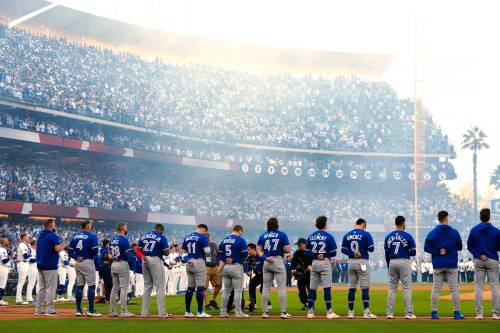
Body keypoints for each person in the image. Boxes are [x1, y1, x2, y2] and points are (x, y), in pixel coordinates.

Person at [424, 210, 464, 320]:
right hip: (451, 264)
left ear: (438, 219)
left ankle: (434, 313)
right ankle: (456, 313)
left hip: (438, 264)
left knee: (436, 289)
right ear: (446, 218)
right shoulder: (454, 232)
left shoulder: (432, 233)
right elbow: (460, 247)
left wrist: (437, 251)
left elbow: (426, 248)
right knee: (454, 289)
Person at [466, 208, 500, 320]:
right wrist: (490, 251)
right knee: (494, 286)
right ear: (489, 216)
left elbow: (470, 246)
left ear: (480, 217)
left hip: (479, 260)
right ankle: (495, 314)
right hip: (492, 259)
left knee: (479, 286)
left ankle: (479, 314)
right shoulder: (496, 231)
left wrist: (479, 254)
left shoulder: (474, 230)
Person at [341, 218, 377, 319]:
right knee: (365, 288)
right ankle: (366, 312)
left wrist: (352, 253)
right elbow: (371, 248)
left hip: (351, 262)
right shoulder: (366, 234)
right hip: (362, 262)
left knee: (352, 288)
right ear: (363, 225)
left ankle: (350, 312)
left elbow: (343, 249)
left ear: (355, 224)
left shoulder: (347, 235)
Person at [305, 216, 340, 319]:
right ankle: (329, 312)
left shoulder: (311, 236)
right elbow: (333, 252)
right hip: (324, 262)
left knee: (312, 288)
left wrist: (315, 256)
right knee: (327, 288)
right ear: (325, 225)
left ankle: (310, 312)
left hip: (314, 263)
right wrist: (324, 254)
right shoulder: (329, 236)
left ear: (316, 225)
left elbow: (307, 253)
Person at [257, 217, 292, 319]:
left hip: (267, 261)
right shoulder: (281, 234)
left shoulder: (263, 236)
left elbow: (259, 251)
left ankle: (265, 312)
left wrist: (265, 257)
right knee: (281, 288)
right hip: (277, 260)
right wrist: (282, 248)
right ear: (277, 225)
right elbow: (287, 249)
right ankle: (283, 312)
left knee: (266, 288)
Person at [384, 216, 417, 319]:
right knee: (406, 288)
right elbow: (413, 252)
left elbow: (386, 253)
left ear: (395, 224)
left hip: (392, 262)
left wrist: (388, 264)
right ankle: (408, 314)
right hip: (404, 261)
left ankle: (389, 313)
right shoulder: (408, 236)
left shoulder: (388, 236)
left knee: (392, 288)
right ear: (403, 223)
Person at [68, 220, 101, 317]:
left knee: (80, 286)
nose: (91, 226)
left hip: (77, 263)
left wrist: (76, 256)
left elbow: (69, 251)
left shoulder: (75, 236)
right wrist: (85, 256)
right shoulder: (92, 236)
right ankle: (91, 310)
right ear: (88, 226)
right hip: (87, 262)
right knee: (91, 286)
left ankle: (78, 309)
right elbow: (95, 251)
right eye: (90, 224)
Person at [137, 223, 170, 318]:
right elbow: (167, 253)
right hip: (155, 260)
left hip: (145, 259)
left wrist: (143, 257)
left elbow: (138, 250)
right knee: (159, 287)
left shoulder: (144, 236)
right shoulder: (161, 237)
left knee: (147, 286)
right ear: (161, 230)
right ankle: (162, 313)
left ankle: (144, 313)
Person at [181, 224, 211, 318]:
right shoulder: (202, 237)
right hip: (199, 262)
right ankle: (200, 312)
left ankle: (187, 311)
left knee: (190, 288)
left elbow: (182, 252)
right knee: (200, 288)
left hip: (189, 263)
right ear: (204, 230)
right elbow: (207, 251)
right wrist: (209, 261)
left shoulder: (188, 236)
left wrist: (187, 259)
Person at [218, 225, 249, 318]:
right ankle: (238, 312)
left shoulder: (223, 240)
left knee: (226, 291)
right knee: (238, 291)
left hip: (225, 267)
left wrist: (225, 259)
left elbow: (220, 254)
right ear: (240, 231)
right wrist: (235, 257)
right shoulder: (241, 240)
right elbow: (244, 254)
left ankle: (223, 312)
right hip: (236, 266)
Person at [35, 219, 62, 315]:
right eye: (54, 225)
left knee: (42, 288)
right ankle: (49, 310)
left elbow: (37, 249)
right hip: (50, 265)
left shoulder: (40, 236)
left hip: (40, 264)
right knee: (51, 288)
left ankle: (38, 309)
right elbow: (58, 249)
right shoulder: (53, 236)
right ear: (51, 226)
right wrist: (61, 245)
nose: (55, 226)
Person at [109, 222, 135, 317]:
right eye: (126, 227)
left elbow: (110, 254)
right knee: (124, 288)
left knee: (114, 288)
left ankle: (112, 311)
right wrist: (133, 261)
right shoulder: (124, 240)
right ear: (123, 228)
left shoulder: (113, 239)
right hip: (122, 264)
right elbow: (129, 255)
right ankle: (123, 311)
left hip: (114, 264)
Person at [246, 243, 269, 312]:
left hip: (265, 274)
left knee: (262, 289)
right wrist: (249, 271)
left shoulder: (261, 256)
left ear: (254, 249)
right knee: (251, 285)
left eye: (249, 250)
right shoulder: (249, 258)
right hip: (258, 275)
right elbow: (248, 267)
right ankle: (253, 303)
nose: (248, 251)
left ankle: (268, 303)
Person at [291, 238, 311, 310]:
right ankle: (305, 304)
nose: (298, 246)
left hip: (309, 274)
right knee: (301, 290)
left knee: (311, 289)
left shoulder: (310, 252)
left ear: (303, 244)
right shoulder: (296, 253)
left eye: (299, 244)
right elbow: (293, 264)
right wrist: (293, 271)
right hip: (300, 274)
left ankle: (311, 304)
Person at [204, 233, 222, 310]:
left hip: (215, 267)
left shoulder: (214, 245)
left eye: (208, 237)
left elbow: (218, 255)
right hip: (206, 267)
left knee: (219, 285)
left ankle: (213, 300)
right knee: (205, 287)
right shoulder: (202, 245)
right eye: (206, 237)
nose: (207, 238)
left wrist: (218, 265)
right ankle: (207, 304)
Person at [15, 233, 31, 304]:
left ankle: (19, 299)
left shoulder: (25, 245)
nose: (28, 238)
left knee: (21, 282)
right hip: (22, 263)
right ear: (24, 238)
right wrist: (31, 256)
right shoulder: (22, 245)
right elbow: (25, 256)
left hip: (24, 263)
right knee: (21, 282)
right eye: (27, 237)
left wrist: (29, 256)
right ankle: (18, 299)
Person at [26, 239, 38, 304]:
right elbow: (30, 260)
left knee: (34, 284)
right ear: (34, 244)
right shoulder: (30, 250)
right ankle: (29, 299)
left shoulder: (35, 250)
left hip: (35, 267)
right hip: (31, 267)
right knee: (31, 283)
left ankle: (34, 298)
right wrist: (38, 259)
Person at [0, 238, 10, 306]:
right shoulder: (2, 250)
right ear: (3, 242)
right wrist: (10, 257)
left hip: (2, 267)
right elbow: (4, 261)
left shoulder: (3, 249)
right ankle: (0, 300)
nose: (8, 242)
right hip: (2, 268)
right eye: (7, 241)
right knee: (2, 285)